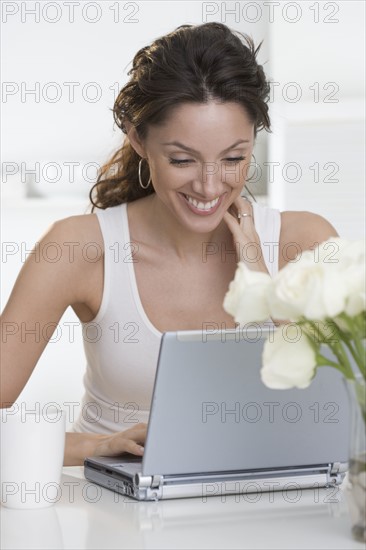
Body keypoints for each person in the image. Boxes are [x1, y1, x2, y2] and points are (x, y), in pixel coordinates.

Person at [0, 22, 338, 466]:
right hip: (115, 517)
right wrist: (95, 448)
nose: (210, 185)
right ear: (139, 139)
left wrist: (266, 290)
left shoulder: (304, 245)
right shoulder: (81, 248)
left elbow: (348, 410)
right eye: (182, 159)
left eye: (234, 158)